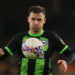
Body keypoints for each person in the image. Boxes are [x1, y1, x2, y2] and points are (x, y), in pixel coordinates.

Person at [0, 6, 74, 75]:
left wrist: (66, 62)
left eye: (39, 19)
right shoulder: (19, 37)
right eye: (33, 19)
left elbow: (71, 54)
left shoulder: (51, 36)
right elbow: (4, 54)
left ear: (44, 20)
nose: (36, 22)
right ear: (28, 19)